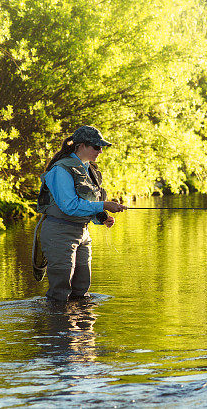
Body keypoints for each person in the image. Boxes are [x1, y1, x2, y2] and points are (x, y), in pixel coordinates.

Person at [34, 125, 127, 302]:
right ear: (81, 146)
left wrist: (102, 217)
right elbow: (69, 205)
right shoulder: (61, 169)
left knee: (82, 289)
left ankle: (82, 330)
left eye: (101, 147)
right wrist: (103, 204)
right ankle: (59, 327)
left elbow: (87, 202)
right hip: (59, 233)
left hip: (82, 233)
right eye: (96, 147)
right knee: (60, 293)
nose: (100, 151)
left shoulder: (89, 170)